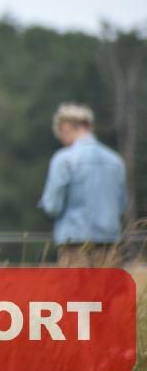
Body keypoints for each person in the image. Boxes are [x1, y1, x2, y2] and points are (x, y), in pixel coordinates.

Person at [38, 102, 126, 268]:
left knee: (75, 286)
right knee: (107, 285)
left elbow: (52, 206)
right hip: (109, 242)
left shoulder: (64, 160)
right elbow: (121, 205)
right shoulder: (115, 161)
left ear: (65, 127)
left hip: (74, 242)